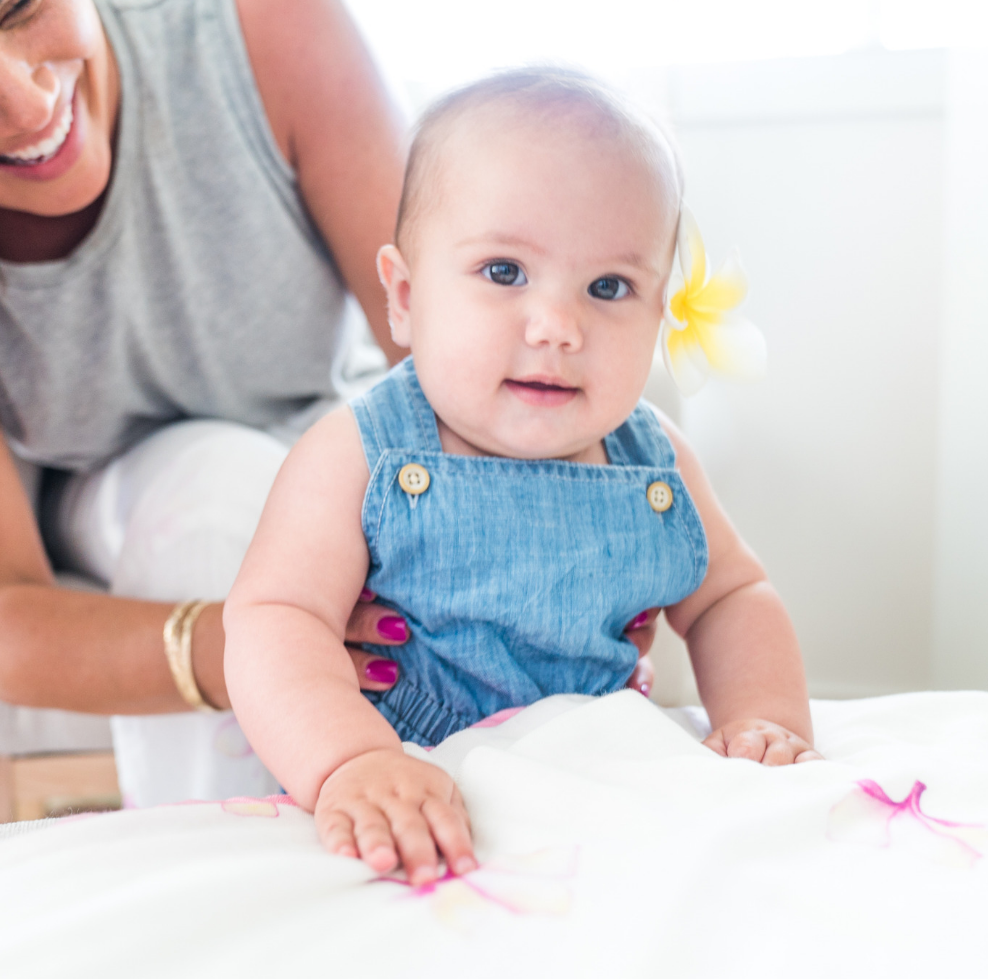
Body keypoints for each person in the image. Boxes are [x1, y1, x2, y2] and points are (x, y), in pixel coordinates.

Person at [0, 0, 656, 807]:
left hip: (342, 447)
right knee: (216, 486)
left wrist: (572, 553)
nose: (26, 105)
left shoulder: (261, 20)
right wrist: (263, 639)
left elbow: (466, 353)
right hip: (114, 503)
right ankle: (252, 906)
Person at [223, 69, 820, 886]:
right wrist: (347, 762)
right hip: (407, 790)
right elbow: (272, 617)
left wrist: (763, 718)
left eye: (610, 287)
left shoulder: (656, 461)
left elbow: (730, 597)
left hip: (599, 790)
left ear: (657, 311)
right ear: (403, 296)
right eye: (504, 272)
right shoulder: (358, 453)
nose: (558, 327)